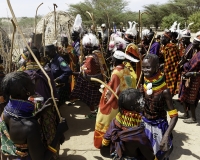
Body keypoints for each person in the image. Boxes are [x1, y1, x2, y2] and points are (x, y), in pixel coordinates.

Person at [0, 71, 68, 160]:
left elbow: (20, 125)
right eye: (31, 83)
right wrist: (58, 133)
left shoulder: (7, 110)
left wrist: (40, 112)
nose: (34, 85)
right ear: (24, 91)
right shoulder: (30, 127)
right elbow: (42, 158)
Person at [94, 50, 136, 149]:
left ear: (115, 59)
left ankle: (104, 142)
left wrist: (107, 99)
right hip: (125, 98)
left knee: (104, 118)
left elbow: (115, 90)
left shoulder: (116, 72)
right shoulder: (125, 68)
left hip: (116, 100)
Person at [141, 54, 178, 159]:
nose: (144, 70)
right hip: (144, 124)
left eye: (148, 67)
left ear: (157, 67)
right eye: (143, 67)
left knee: (159, 155)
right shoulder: (145, 83)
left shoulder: (165, 91)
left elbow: (174, 116)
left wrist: (166, 135)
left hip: (159, 126)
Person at [101, 88, 155, 160]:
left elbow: (105, 143)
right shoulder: (139, 132)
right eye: (141, 101)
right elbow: (149, 155)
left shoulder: (115, 120)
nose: (143, 102)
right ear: (133, 108)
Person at [70, 33, 103, 118]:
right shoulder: (94, 55)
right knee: (95, 99)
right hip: (96, 80)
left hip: (92, 81)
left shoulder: (90, 58)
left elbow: (88, 72)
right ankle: (95, 111)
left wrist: (80, 71)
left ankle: (93, 113)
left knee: (90, 99)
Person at [178, 31, 200, 124]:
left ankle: (193, 118)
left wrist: (191, 74)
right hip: (187, 75)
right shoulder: (196, 52)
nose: (193, 43)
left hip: (195, 79)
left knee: (191, 99)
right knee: (183, 95)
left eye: (195, 42)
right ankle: (186, 114)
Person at [160, 30, 181, 96]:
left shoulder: (171, 47)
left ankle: (169, 99)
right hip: (166, 68)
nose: (161, 39)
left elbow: (171, 62)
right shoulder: (165, 46)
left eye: (163, 37)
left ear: (167, 39)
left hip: (172, 69)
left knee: (170, 85)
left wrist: (164, 67)